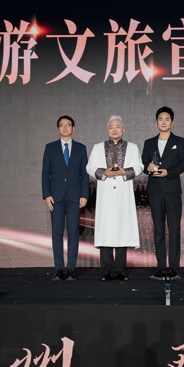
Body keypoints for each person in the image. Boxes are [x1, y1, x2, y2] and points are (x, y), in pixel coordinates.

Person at [87, 115, 143, 281]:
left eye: (118, 127)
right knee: (105, 231)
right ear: (107, 130)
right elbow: (89, 166)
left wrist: (125, 171)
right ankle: (107, 270)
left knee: (122, 231)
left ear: (123, 130)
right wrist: (103, 172)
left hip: (123, 194)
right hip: (105, 194)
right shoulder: (98, 147)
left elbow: (140, 166)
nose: (114, 129)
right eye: (111, 127)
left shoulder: (132, 147)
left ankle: (120, 270)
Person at [142, 106, 184, 281]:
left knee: (174, 228)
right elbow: (144, 164)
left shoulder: (180, 141)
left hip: (172, 190)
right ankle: (161, 267)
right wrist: (148, 168)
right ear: (156, 122)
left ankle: (174, 268)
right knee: (158, 229)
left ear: (172, 122)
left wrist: (168, 172)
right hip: (155, 190)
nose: (163, 122)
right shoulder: (149, 143)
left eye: (167, 119)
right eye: (160, 119)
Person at [42, 115, 89, 282]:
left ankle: (71, 269)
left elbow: (84, 174)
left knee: (73, 233)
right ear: (58, 129)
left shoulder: (81, 148)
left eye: (68, 125)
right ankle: (59, 269)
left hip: (75, 197)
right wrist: (47, 194)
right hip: (56, 197)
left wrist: (84, 194)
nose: (65, 127)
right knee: (56, 233)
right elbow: (45, 173)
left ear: (73, 128)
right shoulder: (50, 147)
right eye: (61, 125)